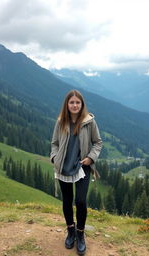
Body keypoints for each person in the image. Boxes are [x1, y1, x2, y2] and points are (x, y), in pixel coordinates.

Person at [50, 90, 102, 255]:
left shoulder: (89, 122)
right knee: (67, 200)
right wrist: (54, 157)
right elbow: (55, 143)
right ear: (67, 104)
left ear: (82, 105)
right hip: (63, 167)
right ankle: (70, 231)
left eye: (77, 102)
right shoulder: (61, 122)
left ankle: (80, 234)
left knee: (80, 201)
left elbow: (98, 142)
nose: (74, 105)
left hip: (82, 167)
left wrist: (90, 158)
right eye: (71, 102)